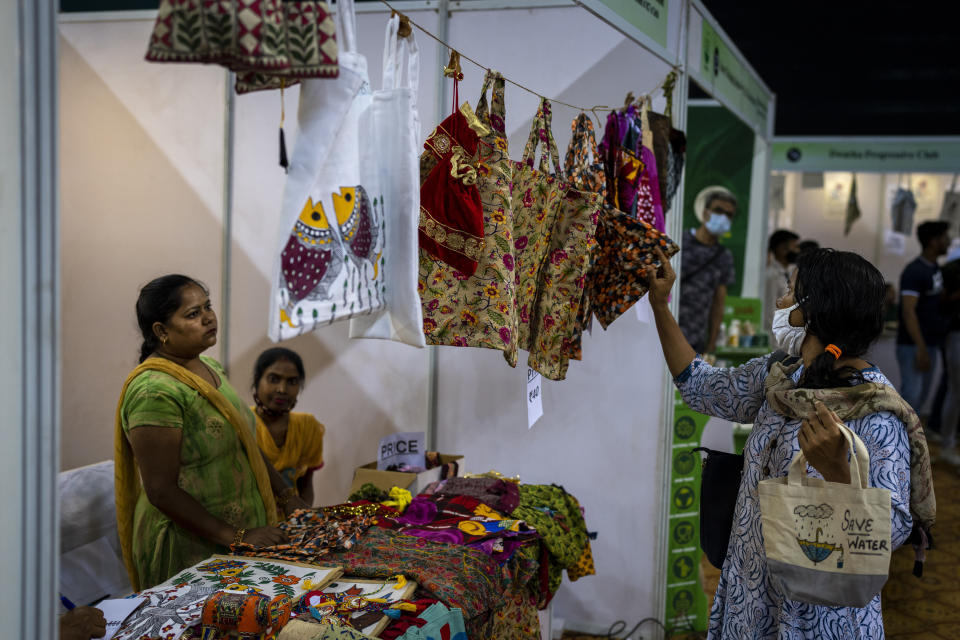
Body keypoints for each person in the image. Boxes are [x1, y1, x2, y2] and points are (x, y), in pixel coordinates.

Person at [646, 247, 922, 638]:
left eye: (791, 292)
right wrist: (660, 307)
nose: (781, 301)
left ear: (817, 309)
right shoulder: (781, 377)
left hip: (817, 614)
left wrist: (838, 474)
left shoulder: (873, 409)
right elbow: (703, 388)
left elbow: (890, 531)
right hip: (751, 593)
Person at [115, 275, 309, 590]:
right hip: (191, 548)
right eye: (192, 314)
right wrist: (237, 537)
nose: (208, 317)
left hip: (239, 536)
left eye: (207, 307)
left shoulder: (208, 368)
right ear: (161, 331)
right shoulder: (154, 391)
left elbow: (242, 442)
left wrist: (287, 495)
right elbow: (161, 490)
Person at [252, 347, 326, 506]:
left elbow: (305, 485)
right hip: (250, 524)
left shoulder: (307, 426)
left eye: (292, 382)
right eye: (273, 379)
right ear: (257, 381)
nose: (282, 389)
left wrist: (303, 519)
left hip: (292, 520)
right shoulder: (242, 422)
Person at [897, 220, 950, 417]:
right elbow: (908, 311)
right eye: (945, 238)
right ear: (933, 241)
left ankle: (914, 445)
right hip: (913, 345)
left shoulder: (935, 268)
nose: (948, 241)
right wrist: (920, 348)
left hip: (930, 343)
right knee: (912, 396)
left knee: (921, 397)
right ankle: (901, 445)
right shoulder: (914, 271)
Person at [678, 186, 737, 354]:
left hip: (695, 338)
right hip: (666, 325)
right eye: (719, 210)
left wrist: (711, 343)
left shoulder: (724, 256)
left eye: (729, 215)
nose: (723, 217)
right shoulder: (680, 240)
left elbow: (719, 302)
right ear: (705, 213)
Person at [936, 245, 960, 466]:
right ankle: (947, 443)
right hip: (955, 334)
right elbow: (943, 303)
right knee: (956, 390)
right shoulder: (952, 269)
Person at [764, 229, 800, 347]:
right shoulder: (771, 275)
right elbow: (770, 311)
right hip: (776, 339)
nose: (796, 251)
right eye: (793, 246)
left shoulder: (791, 271)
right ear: (781, 248)